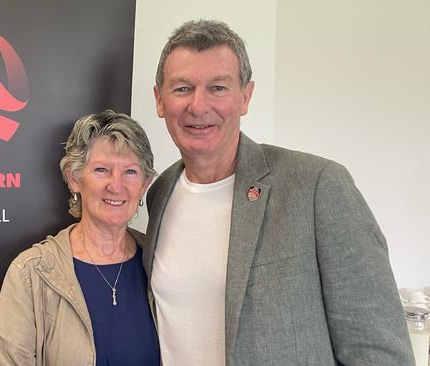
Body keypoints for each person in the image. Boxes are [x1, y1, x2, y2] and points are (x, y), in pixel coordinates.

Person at [144, 19, 414, 365]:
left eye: (218, 88)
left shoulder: (317, 185)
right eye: (182, 88)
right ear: (159, 100)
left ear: (245, 96)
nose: (198, 106)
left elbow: (378, 351)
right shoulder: (159, 194)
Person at [0, 110, 160, 365]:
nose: (116, 185)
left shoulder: (159, 259)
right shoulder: (31, 272)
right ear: (74, 178)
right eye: (102, 170)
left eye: (130, 172)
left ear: (145, 184)